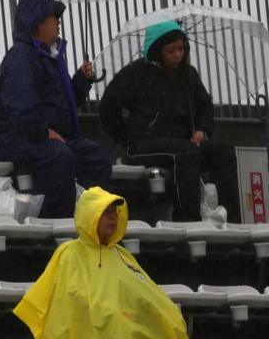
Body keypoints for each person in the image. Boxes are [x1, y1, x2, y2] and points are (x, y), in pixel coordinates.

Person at [13, 187, 204, 339]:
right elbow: (73, 299)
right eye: (106, 212)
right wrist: (110, 314)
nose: (113, 216)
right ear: (90, 215)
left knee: (170, 333)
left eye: (115, 211)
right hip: (94, 327)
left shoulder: (122, 255)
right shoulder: (71, 252)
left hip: (125, 323)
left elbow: (147, 293)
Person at [100, 20, 240, 223]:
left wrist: (202, 129)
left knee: (224, 151)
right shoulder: (135, 74)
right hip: (143, 145)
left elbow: (204, 105)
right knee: (187, 152)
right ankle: (187, 219)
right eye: (171, 50)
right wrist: (126, 138)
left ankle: (231, 218)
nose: (177, 55)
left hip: (181, 144)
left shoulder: (188, 74)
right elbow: (107, 107)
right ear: (157, 49)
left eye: (181, 49)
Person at [0, 0, 112, 218]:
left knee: (97, 158)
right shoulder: (22, 57)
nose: (58, 22)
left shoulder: (50, 57)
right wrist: (43, 132)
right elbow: (21, 107)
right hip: (18, 139)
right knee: (60, 157)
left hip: (50, 138)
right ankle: (57, 223)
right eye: (53, 17)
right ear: (37, 22)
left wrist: (80, 82)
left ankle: (95, 221)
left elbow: (63, 106)